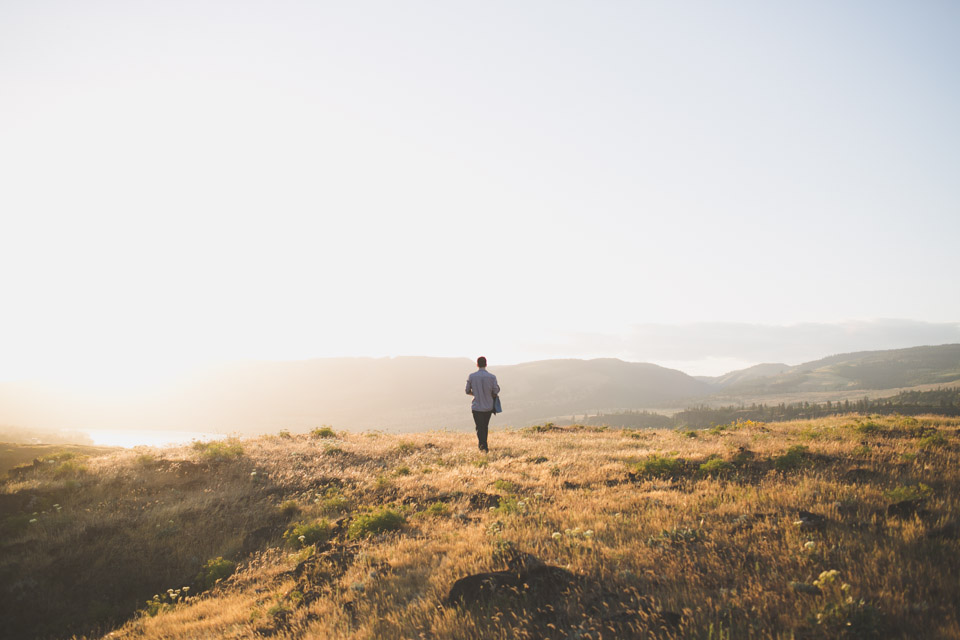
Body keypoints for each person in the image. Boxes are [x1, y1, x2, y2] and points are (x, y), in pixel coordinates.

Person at [465, 356, 500, 452]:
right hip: (488, 406)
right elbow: (496, 390)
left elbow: (467, 391)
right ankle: (484, 446)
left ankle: (483, 446)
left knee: (479, 427)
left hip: (476, 406)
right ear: (486, 364)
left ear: (477, 364)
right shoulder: (492, 377)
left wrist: (476, 393)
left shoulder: (471, 376)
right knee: (485, 426)